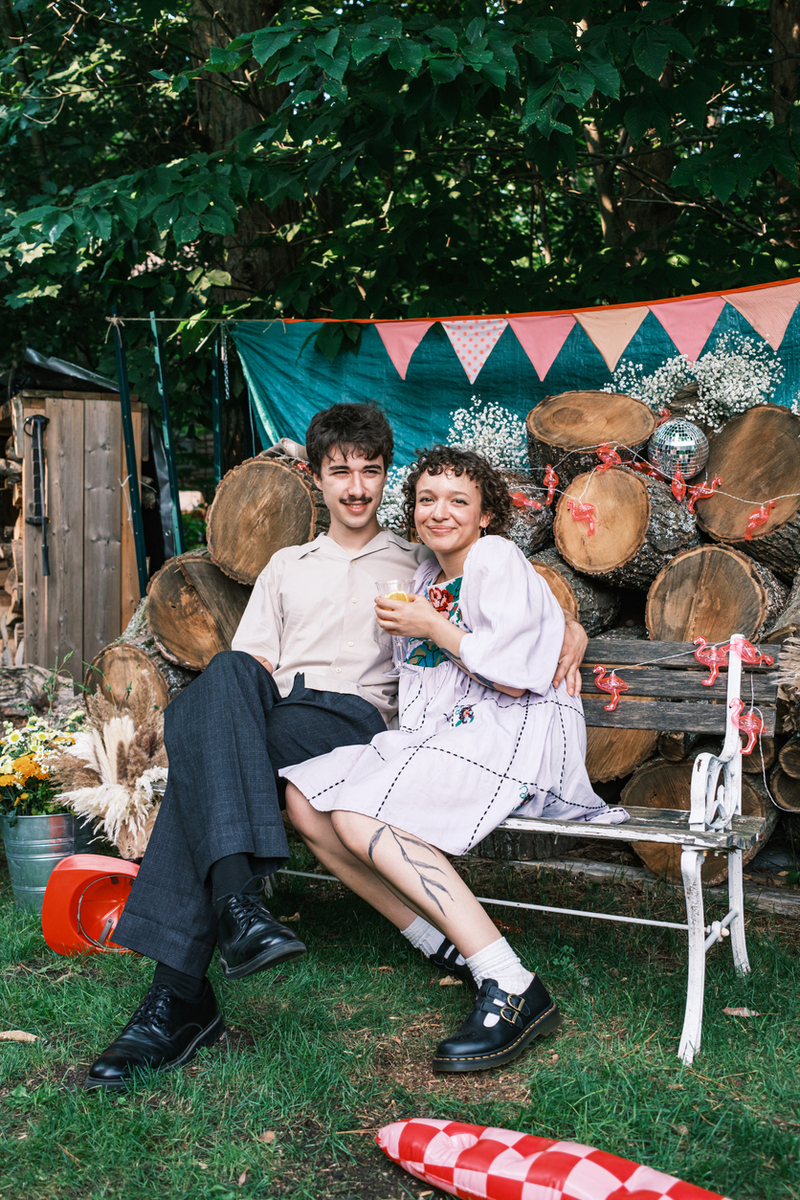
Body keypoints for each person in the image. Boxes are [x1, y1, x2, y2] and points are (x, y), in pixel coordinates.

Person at [85, 405, 589, 1091]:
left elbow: (507, 592)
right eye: (340, 472)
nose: (355, 488)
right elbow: (251, 672)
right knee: (225, 679)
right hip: (281, 711)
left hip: (357, 727)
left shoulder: (416, 556)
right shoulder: (286, 567)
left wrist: (571, 626)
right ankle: (233, 914)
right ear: (315, 479)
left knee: (202, 750)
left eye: (370, 472)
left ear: (386, 480)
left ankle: (180, 992)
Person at [281, 446, 628, 1073]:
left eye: (458, 501)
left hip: (510, 735)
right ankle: (436, 940)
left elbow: (519, 679)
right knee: (304, 801)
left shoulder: (495, 558)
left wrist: (434, 627)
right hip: (445, 735)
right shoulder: (422, 577)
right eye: (426, 499)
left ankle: (512, 983)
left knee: (361, 816)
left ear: (487, 514)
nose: (439, 512)